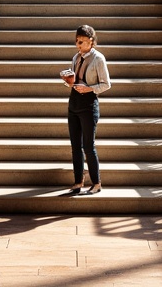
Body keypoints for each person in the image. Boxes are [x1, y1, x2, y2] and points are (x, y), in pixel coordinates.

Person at [60, 23, 111, 195]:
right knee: (75, 146)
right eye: (76, 41)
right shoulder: (75, 57)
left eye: (81, 42)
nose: (78, 45)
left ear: (91, 41)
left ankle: (96, 182)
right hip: (73, 103)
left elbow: (106, 84)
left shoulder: (98, 59)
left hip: (89, 104)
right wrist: (69, 81)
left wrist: (89, 88)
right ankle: (78, 181)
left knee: (88, 146)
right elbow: (76, 80)